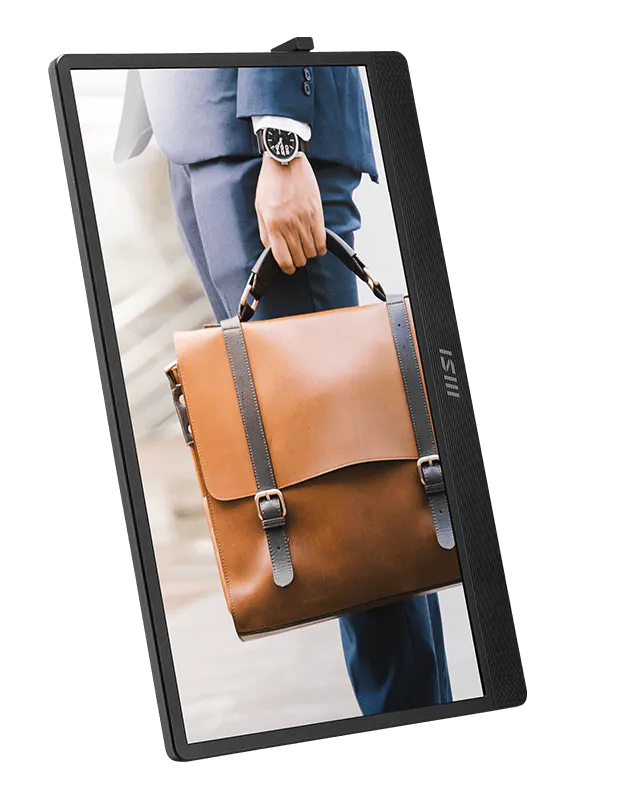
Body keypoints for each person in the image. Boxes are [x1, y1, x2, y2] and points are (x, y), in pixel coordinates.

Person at [114, 66, 451, 714]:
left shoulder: (273, 145)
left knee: (358, 510)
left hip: (257, 131)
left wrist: (283, 141)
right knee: (336, 507)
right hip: (194, 131)